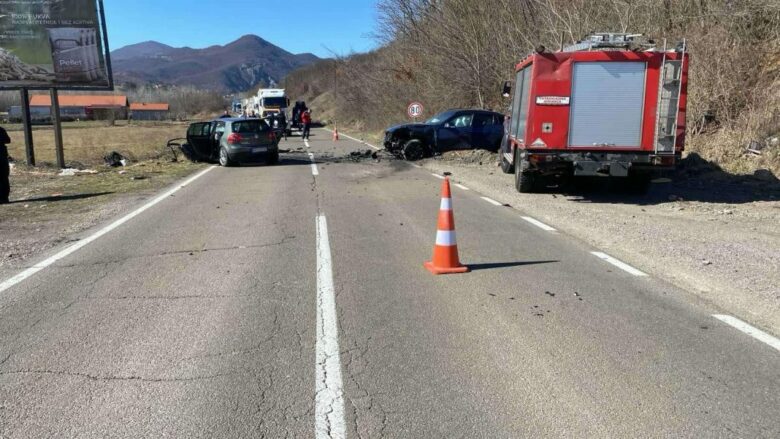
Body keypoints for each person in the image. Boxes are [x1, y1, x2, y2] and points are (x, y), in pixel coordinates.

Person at [0, 126, 11, 204]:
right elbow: (8, 140)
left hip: (2, 155)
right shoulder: (1, 130)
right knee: (4, 177)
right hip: (2, 155)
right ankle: (4, 198)